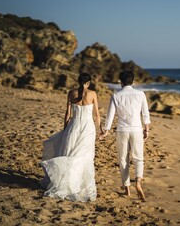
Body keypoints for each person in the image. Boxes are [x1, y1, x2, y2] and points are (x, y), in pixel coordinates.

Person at [40, 73, 100, 202]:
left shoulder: (71, 93)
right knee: (84, 155)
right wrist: (100, 128)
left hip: (74, 125)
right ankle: (78, 184)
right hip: (88, 127)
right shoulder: (92, 94)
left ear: (79, 81)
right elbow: (97, 115)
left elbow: (67, 113)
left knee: (70, 152)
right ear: (88, 82)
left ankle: (67, 182)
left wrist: (65, 128)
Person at [99, 70, 150, 201]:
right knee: (138, 158)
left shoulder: (116, 95)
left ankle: (127, 188)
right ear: (132, 81)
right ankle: (138, 182)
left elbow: (110, 116)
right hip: (137, 130)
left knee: (123, 159)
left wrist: (106, 130)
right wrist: (147, 129)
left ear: (121, 82)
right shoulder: (140, 94)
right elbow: (145, 114)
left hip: (122, 130)